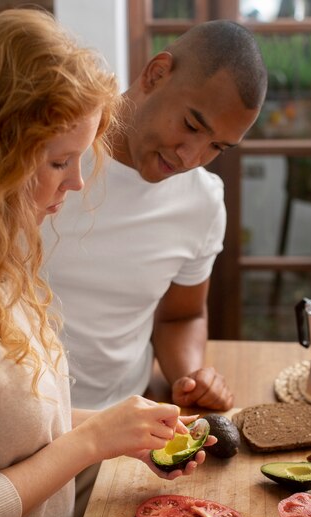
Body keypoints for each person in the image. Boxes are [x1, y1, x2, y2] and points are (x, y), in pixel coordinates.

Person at [0, 9, 212, 517]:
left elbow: (12, 429)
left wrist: (121, 430)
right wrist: (92, 441)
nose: (74, 184)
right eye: (59, 162)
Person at [42, 20, 267, 413]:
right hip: (19, 426)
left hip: (124, 425)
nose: (190, 157)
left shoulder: (203, 202)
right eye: (191, 125)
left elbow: (182, 316)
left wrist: (192, 376)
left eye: (217, 146)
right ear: (156, 74)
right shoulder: (49, 153)